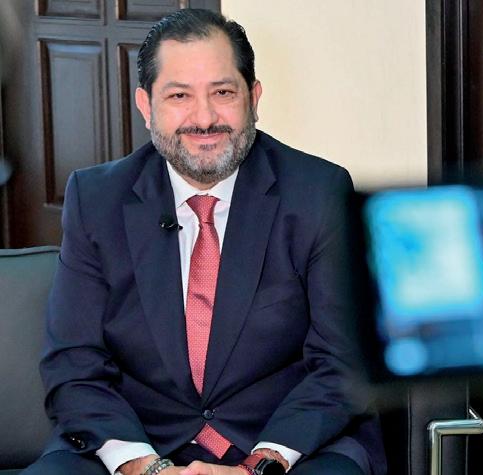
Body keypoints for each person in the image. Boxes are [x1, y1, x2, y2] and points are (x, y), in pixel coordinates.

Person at [23, 8, 386, 475]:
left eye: (223, 92)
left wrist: (260, 465)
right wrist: (145, 467)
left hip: (283, 443)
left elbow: (341, 361)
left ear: (254, 97)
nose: (205, 118)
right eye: (179, 95)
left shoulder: (318, 192)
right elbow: (74, 363)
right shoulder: (96, 199)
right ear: (146, 106)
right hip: (137, 440)